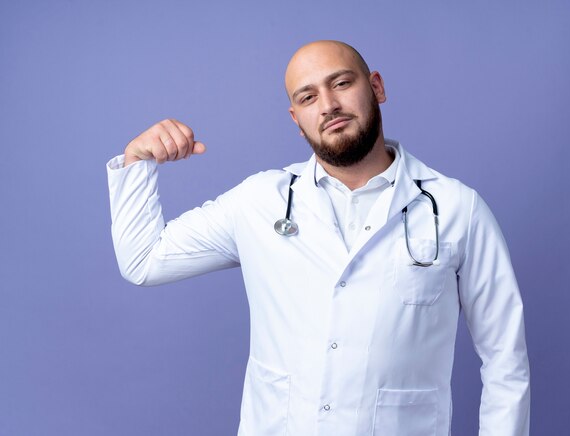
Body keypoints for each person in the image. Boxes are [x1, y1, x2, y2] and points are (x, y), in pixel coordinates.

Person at [107, 40, 530, 436]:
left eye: (342, 83)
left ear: (376, 87)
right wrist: (137, 162)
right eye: (308, 97)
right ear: (296, 118)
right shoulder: (259, 202)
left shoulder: (457, 209)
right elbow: (143, 261)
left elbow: (504, 361)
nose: (328, 106)